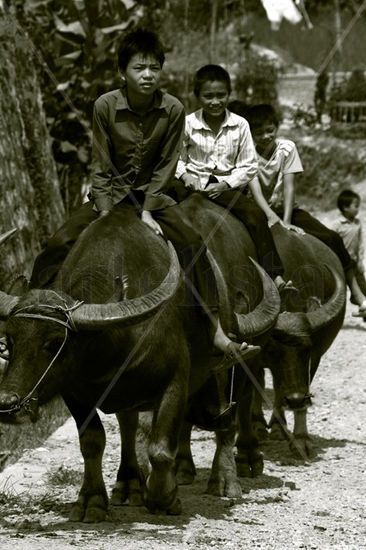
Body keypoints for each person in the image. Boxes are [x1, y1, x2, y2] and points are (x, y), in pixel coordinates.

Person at [29, 29, 259, 426]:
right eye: (140, 67)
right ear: (123, 72)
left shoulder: (171, 108)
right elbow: (100, 165)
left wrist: (151, 210)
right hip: (108, 196)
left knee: (193, 246)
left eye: (155, 67)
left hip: (156, 198)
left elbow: (168, 165)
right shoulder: (104, 106)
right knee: (55, 244)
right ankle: (31, 327)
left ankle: (216, 329)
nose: (148, 74)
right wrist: (102, 212)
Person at [174, 64, 296, 295]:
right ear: (197, 96)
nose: (215, 101)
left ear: (229, 94)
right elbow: (176, 159)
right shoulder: (187, 123)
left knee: (255, 216)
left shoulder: (240, 125)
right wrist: (186, 175)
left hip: (225, 187)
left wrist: (226, 184)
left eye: (221, 95)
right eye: (208, 96)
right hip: (191, 184)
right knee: (161, 212)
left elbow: (249, 165)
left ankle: (275, 275)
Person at [242, 103, 366, 316]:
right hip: (258, 210)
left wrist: (287, 220)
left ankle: (356, 291)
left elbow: (289, 187)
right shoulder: (247, 152)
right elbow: (256, 192)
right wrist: (271, 217)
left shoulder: (287, 148)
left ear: (277, 127)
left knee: (331, 238)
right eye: (259, 132)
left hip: (286, 208)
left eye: (269, 130)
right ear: (251, 133)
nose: (265, 136)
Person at [332, 189, 366, 300]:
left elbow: (361, 243)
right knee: (339, 291)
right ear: (346, 208)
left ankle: (363, 309)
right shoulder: (337, 225)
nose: (358, 209)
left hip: (354, 262)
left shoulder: (357, 222)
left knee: (363, 289)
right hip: (341, 263)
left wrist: (361, 260)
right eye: (355, 206)